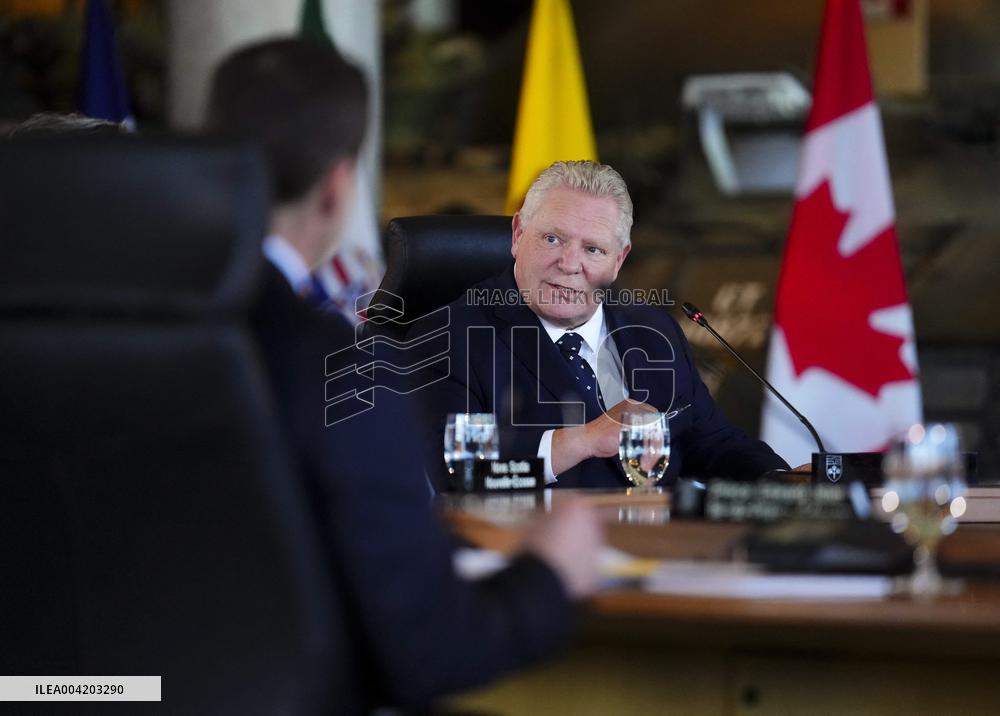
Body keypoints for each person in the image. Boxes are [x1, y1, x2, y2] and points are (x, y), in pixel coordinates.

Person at [205, 38, 602, 712]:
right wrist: (549, 574)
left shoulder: (79, 340)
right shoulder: (336, 364)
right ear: (338, 187)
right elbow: (430, 651)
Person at [416, 160, 789, 491]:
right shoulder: (453, 336)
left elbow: (710, 443)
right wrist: (583, 440)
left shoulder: (653, 331)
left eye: (592, 249)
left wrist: (784, 483)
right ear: (518, 235)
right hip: (528, 552)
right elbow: (461, 472)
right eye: (552, 239)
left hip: (660, 551)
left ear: (619, 260)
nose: (569, 263)